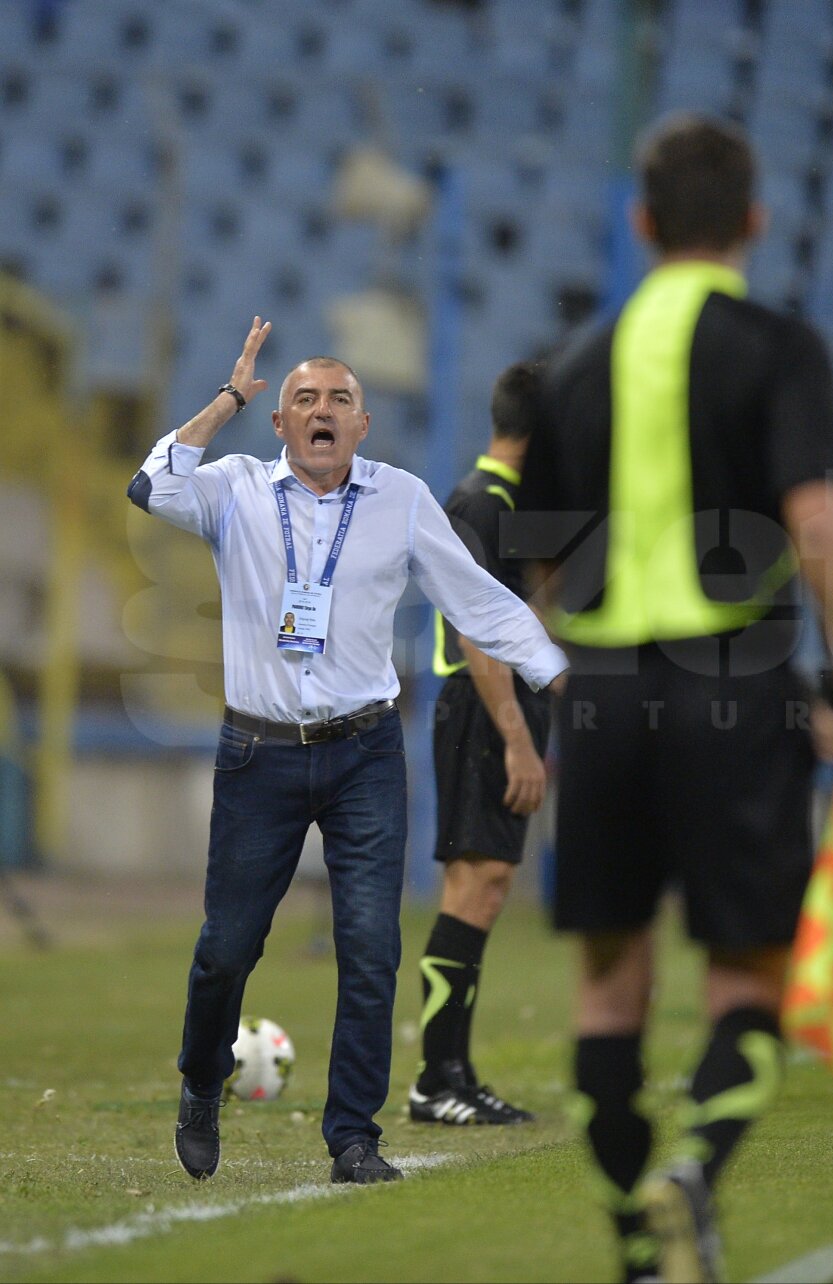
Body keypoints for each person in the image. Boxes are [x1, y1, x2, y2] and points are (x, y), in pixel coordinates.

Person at [514, 115, 833, 1283]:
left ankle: (630, 1239)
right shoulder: (776, 346)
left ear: (642, 222)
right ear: (755, 222)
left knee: (610, 984)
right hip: (738, 678)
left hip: (607, 691)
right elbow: (820, 521)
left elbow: (538, 575)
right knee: (747, 972)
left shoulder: (570, 364)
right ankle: (695, 1176)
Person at [127, 319, 567, 1184]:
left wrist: (556, 674)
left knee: (371, 947)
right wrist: (226, 400)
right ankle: (200, 1081)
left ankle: (353, 1137)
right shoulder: (235, 488)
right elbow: (149, 485)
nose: (322, 410)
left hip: (366, 752)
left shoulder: (401, 499)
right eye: (303, 400)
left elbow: (479, 602)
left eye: (340, 400)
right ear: (281, 423)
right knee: (227, 947)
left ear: (363, 426)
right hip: (258, 755)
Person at [409, 361, 552, 1126]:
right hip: (481, 711)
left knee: (488, 883)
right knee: (473, 882)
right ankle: (437, 1079)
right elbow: (473, 632)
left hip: (502, 708)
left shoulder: (508, 504)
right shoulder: (479, 502)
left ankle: (453, 1072)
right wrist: (518, 738)